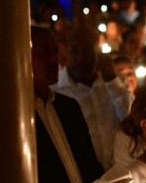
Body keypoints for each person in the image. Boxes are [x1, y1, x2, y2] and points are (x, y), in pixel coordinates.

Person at [32, 26, 105, 183]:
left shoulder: (68, 108)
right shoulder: (14, 116)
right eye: (44, 53)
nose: (54, 59)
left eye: (55, 51)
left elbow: (91, 168)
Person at [52, 24, 132, 170]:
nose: (82, 58)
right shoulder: (56, 90)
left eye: (88, 50)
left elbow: (130, 120)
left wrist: (111, 81)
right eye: (75, 50)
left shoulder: (115, 81)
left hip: (119, 171)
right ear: (65, 51)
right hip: (82, 173)